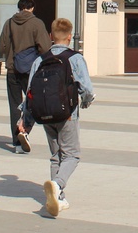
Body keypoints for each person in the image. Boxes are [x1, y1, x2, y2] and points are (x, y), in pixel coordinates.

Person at [18, 17, 94, 218]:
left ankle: (58, 198)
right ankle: (58, 185)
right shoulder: (75, 58)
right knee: (72, 154)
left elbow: (30, 92)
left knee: (55, 155)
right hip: (67, 114)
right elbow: (86, 89)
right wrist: (85, 102)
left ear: (51, 36)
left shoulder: (39, 60)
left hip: (44, 113)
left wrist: (26, 122)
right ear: (70, 37)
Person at [0, 0, 51, 154]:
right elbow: (45, 48)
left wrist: (13, 55)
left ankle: (17, 143)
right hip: (31, 71)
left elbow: (1, 46)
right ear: (32, 8)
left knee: (14, 105)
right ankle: (24, 131)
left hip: (12, 70)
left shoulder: (9, 22)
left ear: (19, 7)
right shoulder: (37, 23)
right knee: (34, 102)